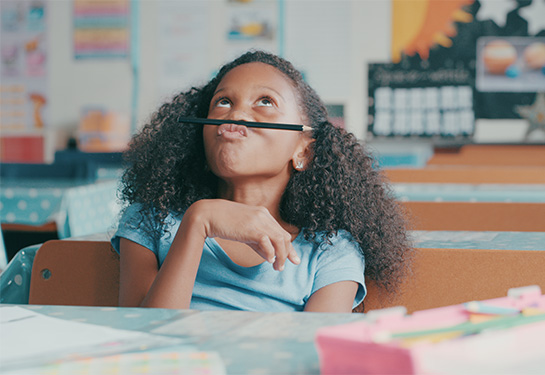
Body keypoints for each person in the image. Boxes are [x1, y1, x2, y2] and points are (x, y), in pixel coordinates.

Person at [111, 50, 412, 313]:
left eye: (265, 101)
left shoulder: (331, 251)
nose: (237, 113)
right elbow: (144, 339)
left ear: (303, 150)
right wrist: (199, 221)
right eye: (223, 101)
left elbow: (315, 355)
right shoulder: (151, 221)